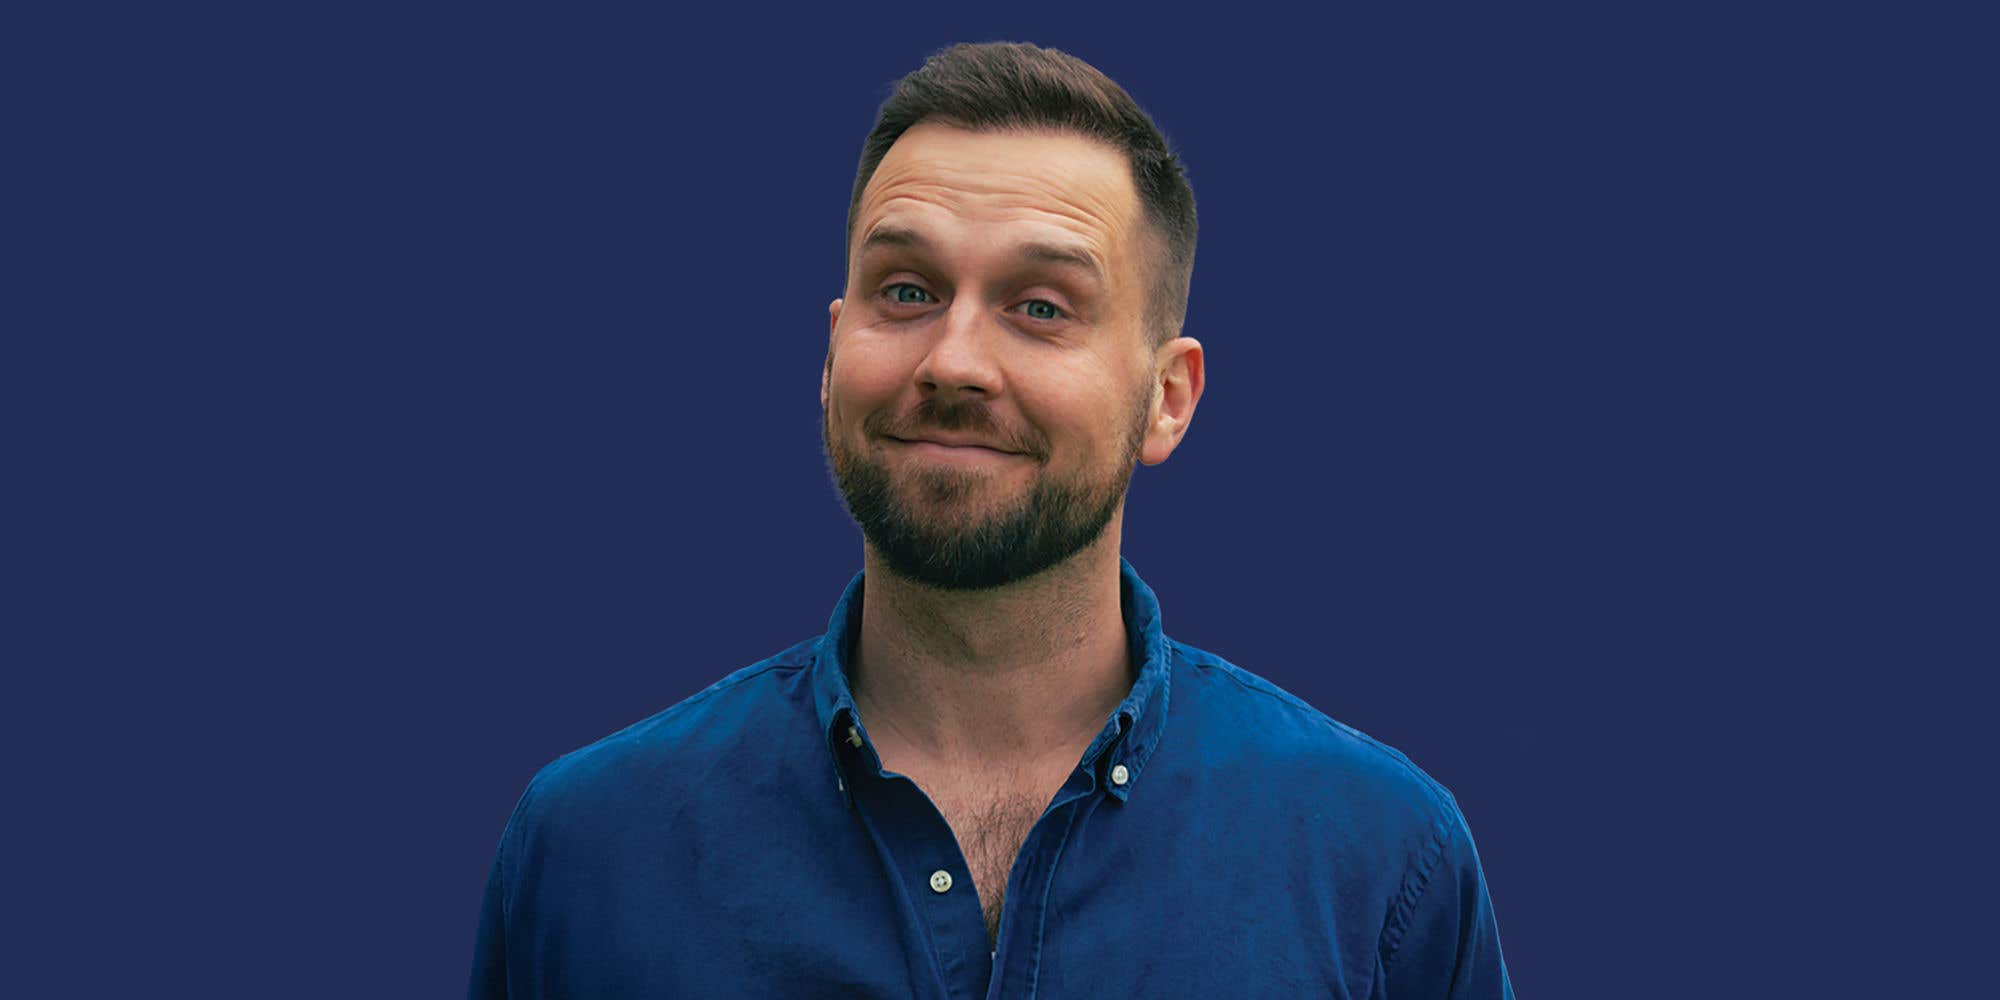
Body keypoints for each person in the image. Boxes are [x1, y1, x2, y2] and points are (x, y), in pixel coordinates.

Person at [468, 41, 1512, 999]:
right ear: (832, 356)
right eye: (907, 289)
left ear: (1168, 397)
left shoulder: (1379, 861)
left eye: (1040, 307)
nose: (954, 361)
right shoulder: (589, 848)